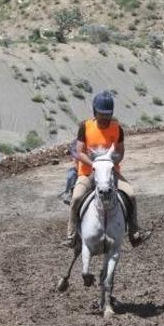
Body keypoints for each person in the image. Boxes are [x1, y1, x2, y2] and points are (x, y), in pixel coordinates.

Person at [62, 91, 151, 249]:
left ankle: (134, 232)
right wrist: (94, 164)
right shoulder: (85, 127)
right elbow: (79, 151)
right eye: (102, 114)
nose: (105, 118)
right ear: (95, 112)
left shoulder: (117, 129)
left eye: (108, 114)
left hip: (111, 173)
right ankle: (71, 235)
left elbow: (121, 152)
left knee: (131, 194)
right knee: (76, 199)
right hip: (88, 173)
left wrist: (109, 163)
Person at [60, 139, 78, 204]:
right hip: (76, 169)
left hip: (87, 169)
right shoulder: (74, 144)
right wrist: (68, 151)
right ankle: (69, 193)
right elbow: (68, 151)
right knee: (70, 176)